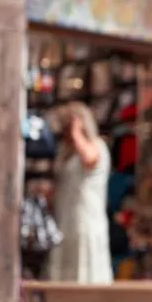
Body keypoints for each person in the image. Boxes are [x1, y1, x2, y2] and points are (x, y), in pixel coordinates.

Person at [45, 102, 112, 284]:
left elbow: (90, 159)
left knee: (84, 269)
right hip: (65, 218)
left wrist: (76, 131)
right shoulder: (67, 151)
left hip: (86, 218)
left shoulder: (96, 146)